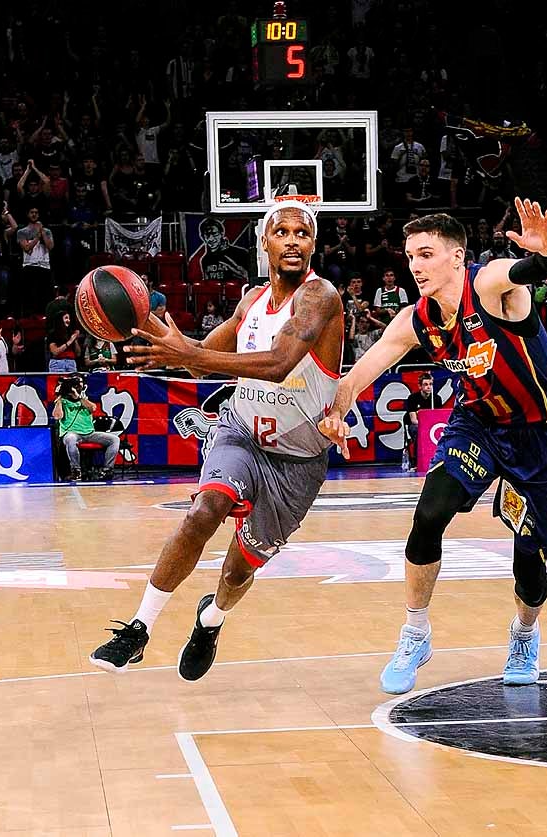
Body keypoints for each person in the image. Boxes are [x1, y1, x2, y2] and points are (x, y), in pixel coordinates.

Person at [319, 199, 547, 694]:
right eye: (410, 256)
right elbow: (358, 375)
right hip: (477, 425)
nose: (415, 266)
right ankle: (416, 632)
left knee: (530, 563)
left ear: (457, 257)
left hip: (542, 436)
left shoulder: (488, 287)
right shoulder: (416, 319)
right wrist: (336, 409)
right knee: (430, 512)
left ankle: (524, 631)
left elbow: (530, 268)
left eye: (426, 254)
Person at [88, 199, 344, 683]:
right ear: (264, 243)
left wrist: (191, 355)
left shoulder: (321, 297)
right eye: (282, 232)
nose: (293, 240)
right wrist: (165, 340)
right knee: (203, 511)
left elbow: (278, 363)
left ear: (313, 245)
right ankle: (138, 629)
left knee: (236, 573)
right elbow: (199, 359)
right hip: (241, 431)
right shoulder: (250, 302)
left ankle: (211, 618)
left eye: (303, 233)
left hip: (297, 462)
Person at [51, 374, 118, 481]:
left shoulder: (84, 399)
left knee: (114, 439)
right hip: (72, 433)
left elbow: (93, 408)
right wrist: (59, 398)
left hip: (90, 433)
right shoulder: (63, 401)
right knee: (70, 439)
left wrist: (78, 397)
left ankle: (107, 470)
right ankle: (76, 471)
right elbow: (57, 416)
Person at [402, 372, 441, 469]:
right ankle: (417, 461)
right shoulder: (412, 398)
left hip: (433, 426)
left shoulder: (436, 399)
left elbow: (439, 417)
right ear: (420, 386)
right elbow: (413, 420)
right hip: (417, 425)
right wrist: (426, 427)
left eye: (430, 384)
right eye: (426, 384)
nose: (428, 387)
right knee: (417, 431)